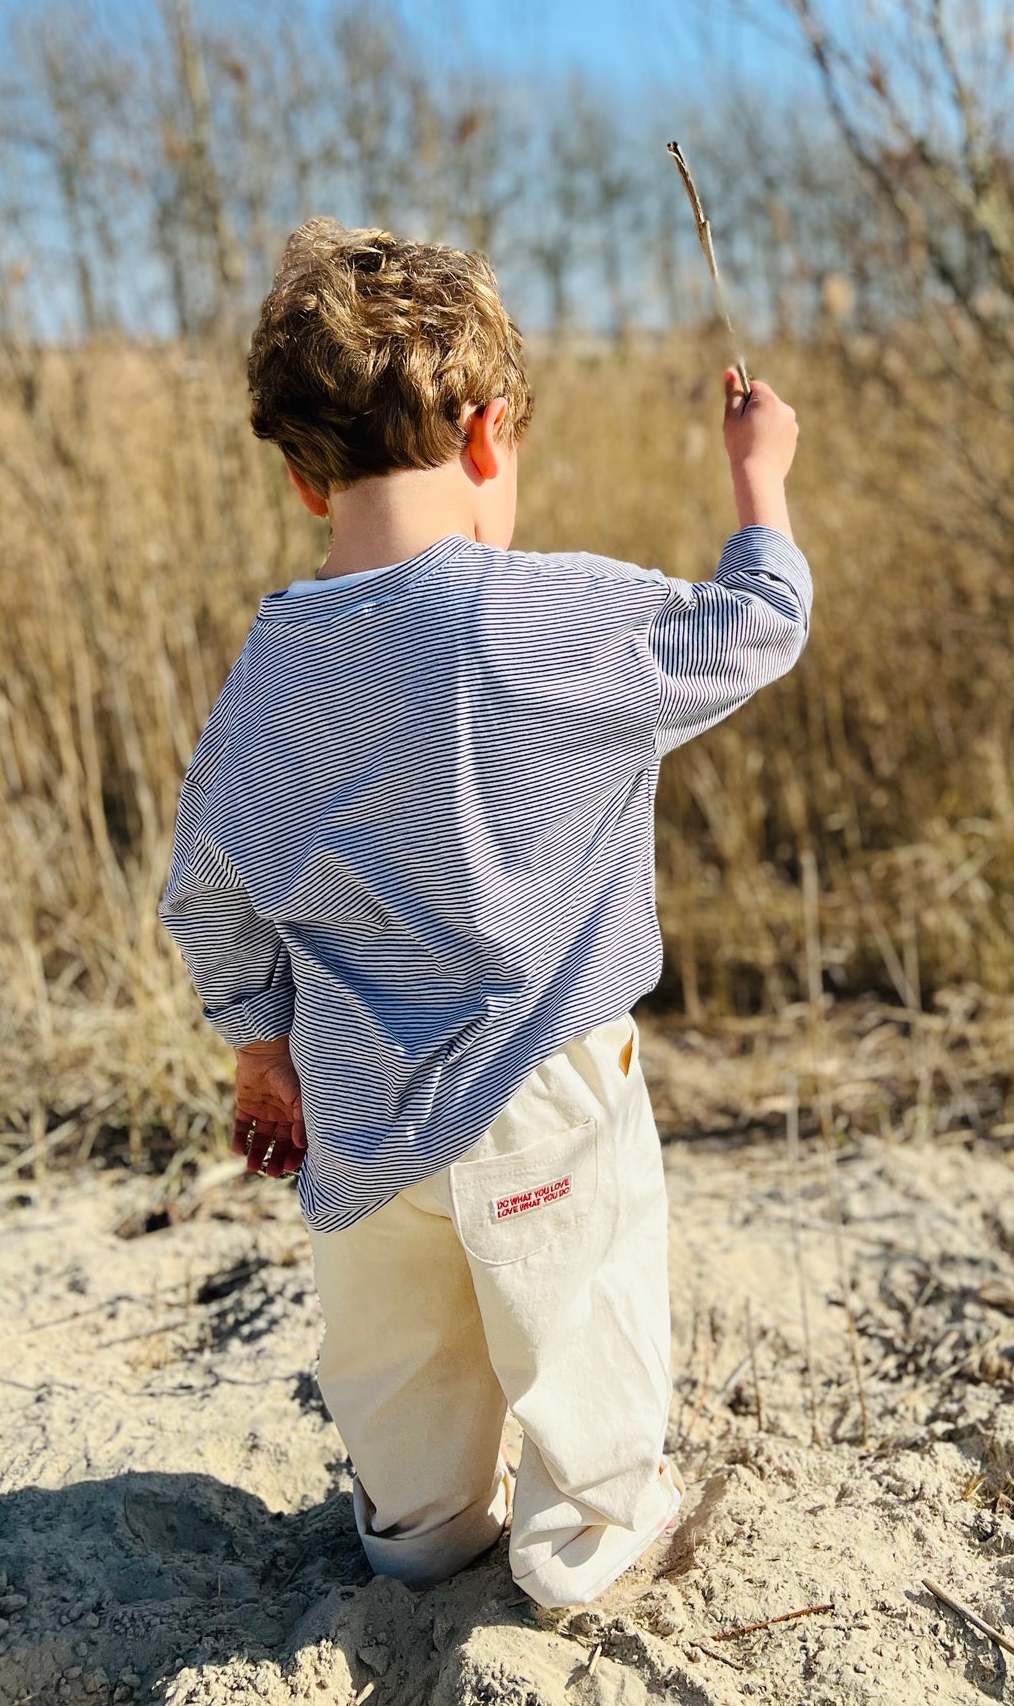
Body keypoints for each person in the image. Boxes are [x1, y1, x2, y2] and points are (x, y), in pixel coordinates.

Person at [159, 218, 811, 1605]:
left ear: (297, 473)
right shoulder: (537, 615)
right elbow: (750, 628)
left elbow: (207, 877)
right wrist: (759, 490)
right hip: (546, 1085)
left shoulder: (268, 666)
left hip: (349, 1097)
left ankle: (419, 1524)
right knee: (581, 1318)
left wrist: (258, 1041)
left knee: (394, 1358)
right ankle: (584, 1540)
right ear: (487, 432)